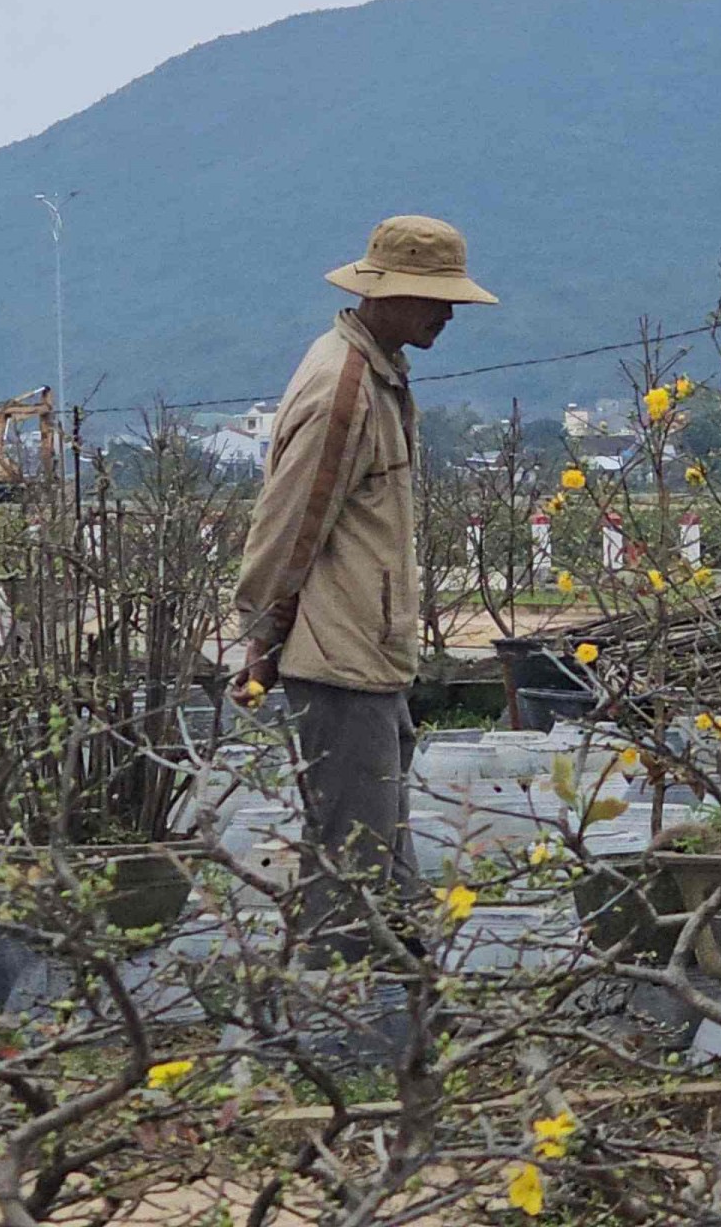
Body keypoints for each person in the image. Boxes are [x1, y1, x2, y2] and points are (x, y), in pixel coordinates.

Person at [230, 215, 498, 964]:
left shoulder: (374, 370)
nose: (446, 314)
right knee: (355, 859)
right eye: (433, 299)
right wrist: (261, 636)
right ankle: (340, 1017)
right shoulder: (344, 386)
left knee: (380, 844)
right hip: (339, 653)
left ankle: (402, 1002)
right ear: (387, 295)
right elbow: (289, 525)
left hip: (365, 649)